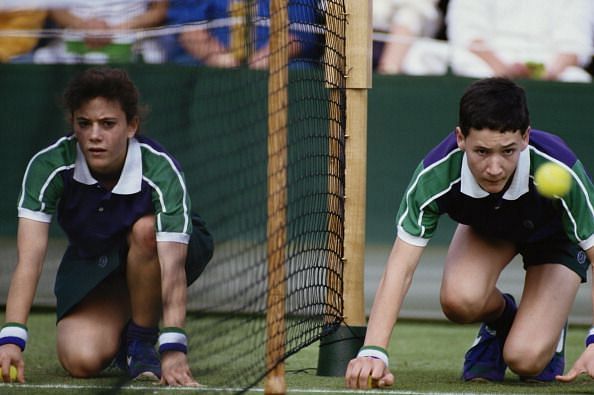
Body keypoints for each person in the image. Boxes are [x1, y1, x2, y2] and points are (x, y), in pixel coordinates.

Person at [345, 77, 594, 388]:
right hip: (491, 230)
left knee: (526, 359)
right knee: (459, 301)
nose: (494, 168)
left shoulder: (562, 168)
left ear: (526, 137)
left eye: (507, 151)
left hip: (557, 241)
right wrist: (373, 352)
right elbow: (401, 267)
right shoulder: (435, 175)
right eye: (481, 152)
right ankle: (502, 321)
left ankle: (547, 327)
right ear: (460, 138)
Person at [0, 67, 213, 385]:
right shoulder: (49, 166)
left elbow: (172, 267)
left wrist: (173, 348)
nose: (95, 135)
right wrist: (11, 339)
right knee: (80, 359)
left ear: (132, 126)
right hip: (97, 260)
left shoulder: (159, 169)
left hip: (167, 249)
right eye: (84, 124)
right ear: (73, 124)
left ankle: (141, 341)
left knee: (144, 231)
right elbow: (29, 260)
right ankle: (123, 332)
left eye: (108, 124)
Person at [446, 0, 593, 82]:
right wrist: (504, 70)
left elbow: (575, 42)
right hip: (487, 62)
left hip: (550, 65)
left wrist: (547, 73)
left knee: (577, 78)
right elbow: (467, 32)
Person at [163, 0, 322, 68]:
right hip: (212, 60)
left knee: (300, 68)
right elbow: (186, 25)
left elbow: (302, 33)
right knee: (180, 65)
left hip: (274, 61)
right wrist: (218, 58)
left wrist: (261, 61)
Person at [33, 1, 168, 64]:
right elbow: (54, 9)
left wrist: (120, 28)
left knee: (154, 58)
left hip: (132, 38)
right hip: (75, 38)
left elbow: (159, 11)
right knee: (42, 58)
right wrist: (83, 26)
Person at [373, 0, 448, 75]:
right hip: (378, 24)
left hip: (418, 21)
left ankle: (388, 73)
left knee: (408, 16)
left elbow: (424, 7)